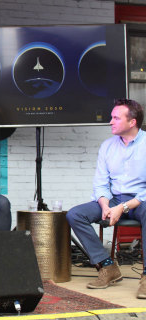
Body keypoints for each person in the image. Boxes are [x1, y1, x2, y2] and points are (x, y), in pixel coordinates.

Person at [66, 99, 146, 298]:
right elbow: (101, 183)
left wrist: (123, 207)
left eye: (116, 118)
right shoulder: (107, 146)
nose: (110, 121)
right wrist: (104, 205)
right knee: (75, 214)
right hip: (112, 199)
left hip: (140, 200)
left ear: (132, 122)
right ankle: (107, 267)